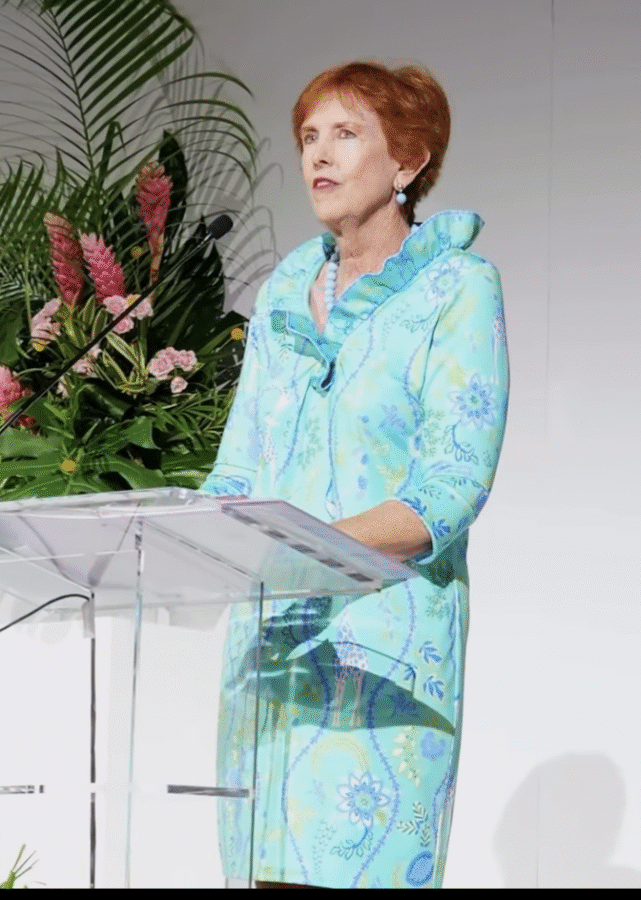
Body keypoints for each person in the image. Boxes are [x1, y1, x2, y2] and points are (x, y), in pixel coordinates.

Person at [198, 61, 509, 889]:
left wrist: (306, 547)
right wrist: (185, 535)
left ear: (407, 163)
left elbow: (452, 484)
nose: (318, 155)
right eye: (308, 137)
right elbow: (236, 470)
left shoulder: (456, 288)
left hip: (382, 655)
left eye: (346, 133)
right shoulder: (283, 297)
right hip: (272, 651)